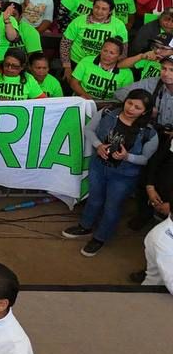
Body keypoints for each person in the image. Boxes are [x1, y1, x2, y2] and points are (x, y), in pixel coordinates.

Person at [62, 88, 158, 256]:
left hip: (124, 175)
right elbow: (89, 130)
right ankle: (85, 226)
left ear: (145, 112)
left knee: (112, 206)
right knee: (94, 199)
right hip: (99, 166)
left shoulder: (149, 133)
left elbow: (145, 159)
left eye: (137, 107)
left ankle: (100, 237)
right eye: (129, 103)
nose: (130, 109)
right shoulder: (107, 113)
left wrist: (127, 157)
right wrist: (98, 145)